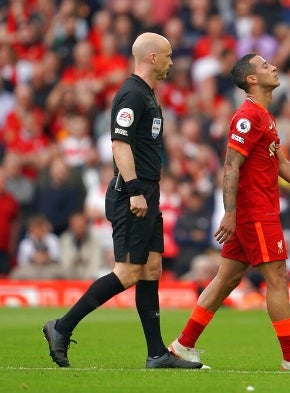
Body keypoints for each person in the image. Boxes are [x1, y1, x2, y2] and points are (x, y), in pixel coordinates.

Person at [168, 53, 290, 371]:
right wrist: (231, 212)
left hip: (256, 211)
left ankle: (182, 346)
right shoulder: (247, 117)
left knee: (225, 281)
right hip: (255, 212)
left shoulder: (265, 116)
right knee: (278, 277)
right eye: (264, 66)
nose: (273, 67)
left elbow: (282, 164)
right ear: (251, 79)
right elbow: (230, 166)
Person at [42, 33, 204, 369]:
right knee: (129, 272)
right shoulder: (131, 93)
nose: (173, 62)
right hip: (134, 192)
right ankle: (61, 326)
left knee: (152, 268)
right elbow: (119, 144)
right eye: (168, 56)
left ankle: (157, 354)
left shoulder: (147, 94)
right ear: (152, 58)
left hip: (149, 191)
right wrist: (133, 190)